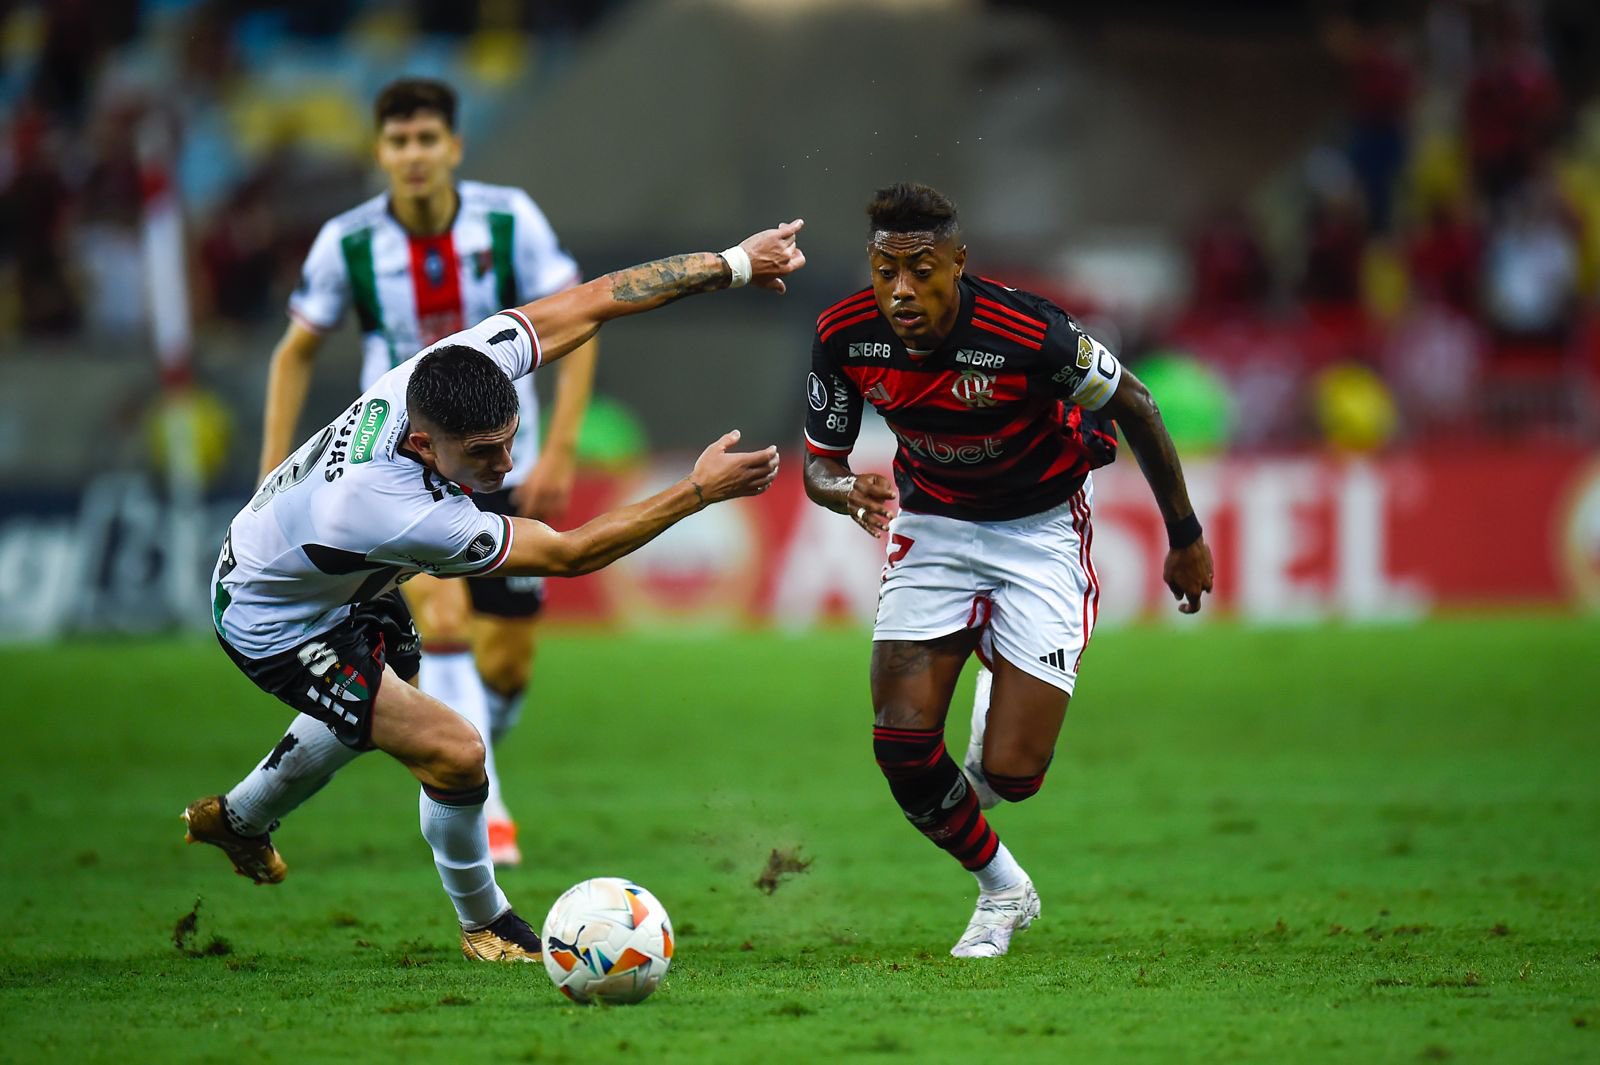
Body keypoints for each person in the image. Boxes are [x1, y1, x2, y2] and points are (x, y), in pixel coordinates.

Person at [185, 220, 806, 962]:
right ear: (422, 443)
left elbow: (600, 298)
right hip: (270, 615)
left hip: (318, 571)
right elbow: (572, 553)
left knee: (383, 693)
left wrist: (732, 263)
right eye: (481, 454)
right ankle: (486, 920)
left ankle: (242, 818)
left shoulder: (466, 364)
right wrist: (696, 492)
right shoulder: (394, 507)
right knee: (455, 752)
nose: (505, 465)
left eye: (510, 439)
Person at [802, 183, 1212, 958]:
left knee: (1015, 774)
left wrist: (1184, 535)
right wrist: (838, 488)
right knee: (901, 746)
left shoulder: (1031, 333)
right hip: (935, 526)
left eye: (920, 268)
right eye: (885, 269)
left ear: (957, 261)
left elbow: (1137, 404)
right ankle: (1003, 889)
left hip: (1040, 531)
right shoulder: (843, 334)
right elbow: (818, 464)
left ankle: (999, 681)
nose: (901, 289)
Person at [259, 78, 597, 866]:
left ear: (454, 145)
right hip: (401, 465)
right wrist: (274, 473)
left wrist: (563, 449)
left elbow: (577, 319)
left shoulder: (510, 219)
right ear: (380, 151)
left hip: (505, 455)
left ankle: (472, 746)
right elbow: (295, 351)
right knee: (441, 623)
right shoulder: (347, 241)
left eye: (426, 140)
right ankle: (491, 814)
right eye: (398, 142)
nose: (413, 156)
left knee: (507, 663)